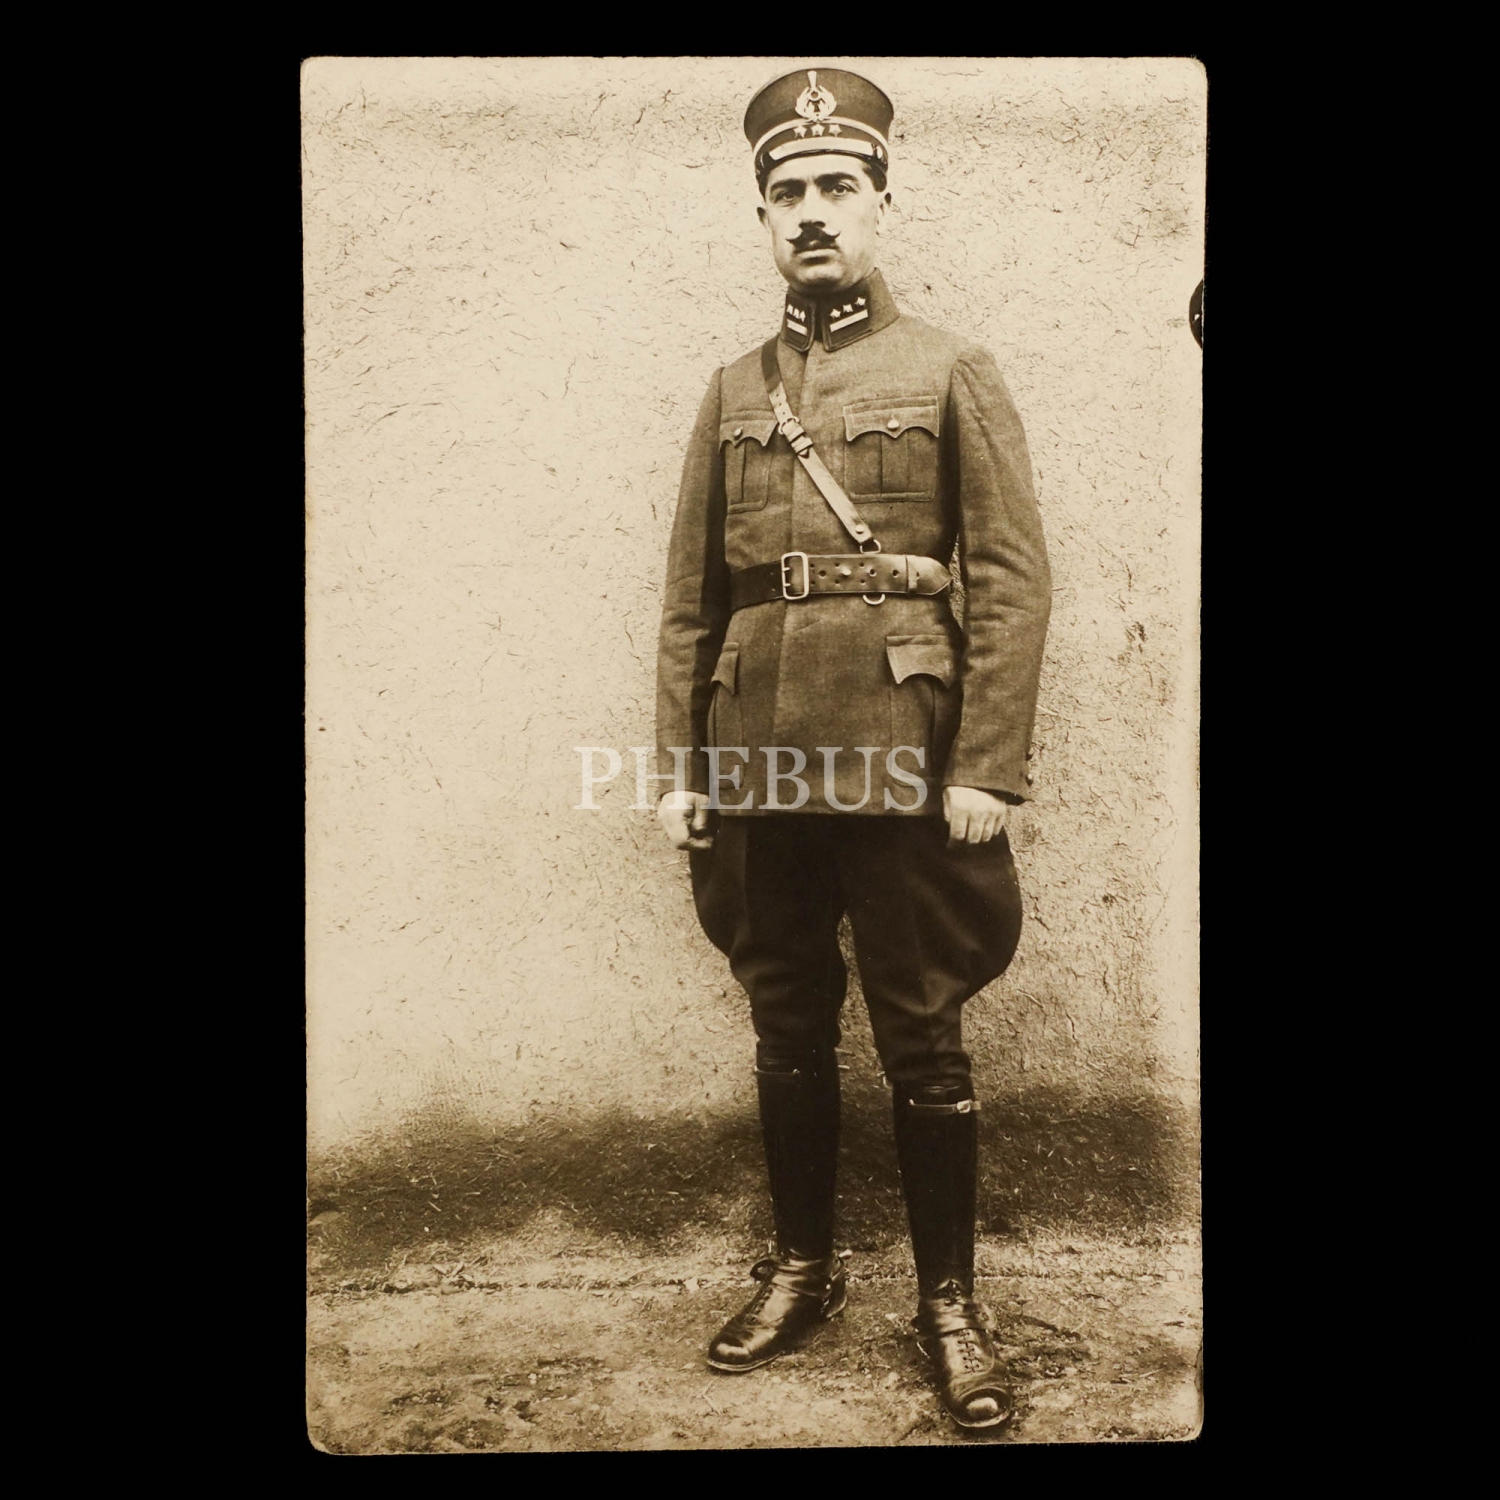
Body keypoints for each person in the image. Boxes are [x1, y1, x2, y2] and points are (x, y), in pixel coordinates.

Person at [653, 67, 1051, 1433]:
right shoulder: (731, 390)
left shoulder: (947, 369)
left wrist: (986, 764)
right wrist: (682, 770)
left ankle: (950, 1305)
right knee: (785, 1020)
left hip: (902, 748)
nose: (812, 212)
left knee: (921, 1033)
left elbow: (1009, 580)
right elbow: (692, 600)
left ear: (880, 203)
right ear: (762, 216)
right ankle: (804, 1270)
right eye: (789, 193)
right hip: (757, 752)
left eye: (837, 187)